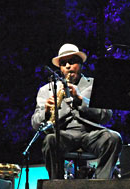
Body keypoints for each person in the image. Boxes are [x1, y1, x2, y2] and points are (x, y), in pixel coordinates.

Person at [31, 43, 122, 179]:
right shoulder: (47, 89)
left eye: (72, 62)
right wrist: (46, 112)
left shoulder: (94, 84)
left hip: (91, 133)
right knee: (50, 139)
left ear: (80, 64)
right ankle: (57, 186)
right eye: (63, 63)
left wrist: (81, 100)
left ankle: (101, 185)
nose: (68, 66)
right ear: (60, 68)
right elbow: (35, 123)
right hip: (63, 134)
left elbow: (106, 115)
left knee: (114, 138)